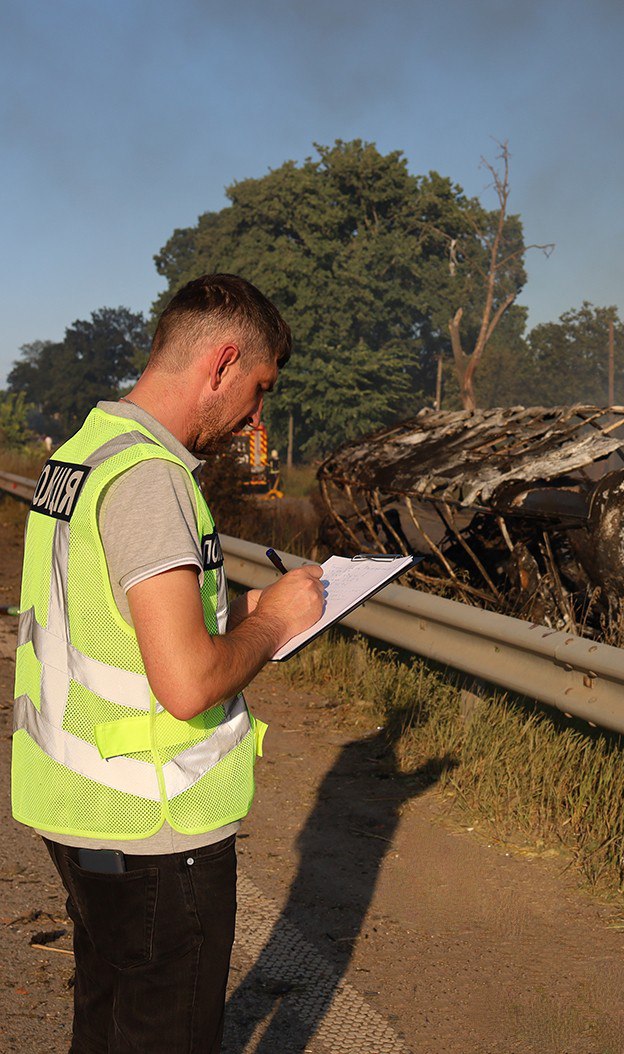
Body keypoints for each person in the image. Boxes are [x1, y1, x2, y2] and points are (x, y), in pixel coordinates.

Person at [10, 273, 325, 1053]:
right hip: (156, 830)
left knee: (106, 1025)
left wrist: (260, 614)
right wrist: (276, 621)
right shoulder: (153, 481)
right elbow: (186, 684)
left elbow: (121, 624)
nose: (256, 417)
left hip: (81, 811)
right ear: (220, 362)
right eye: (257, 390)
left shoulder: (87, 454)